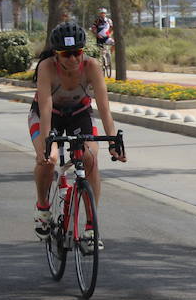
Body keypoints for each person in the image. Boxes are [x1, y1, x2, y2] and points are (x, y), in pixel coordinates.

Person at [29, 21, 126, 246]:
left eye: (77, 53)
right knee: (49, 159)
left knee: (90, 158)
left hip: (79, 114)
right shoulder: (46, 67)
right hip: (48, 115)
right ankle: (43, 208)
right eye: (66, 54)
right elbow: (44, 108)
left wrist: (113, 140)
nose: (73, 59)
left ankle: (92, 228)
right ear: (56, 54)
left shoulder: (91, 66)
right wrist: (47, 144)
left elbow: (103, 107)